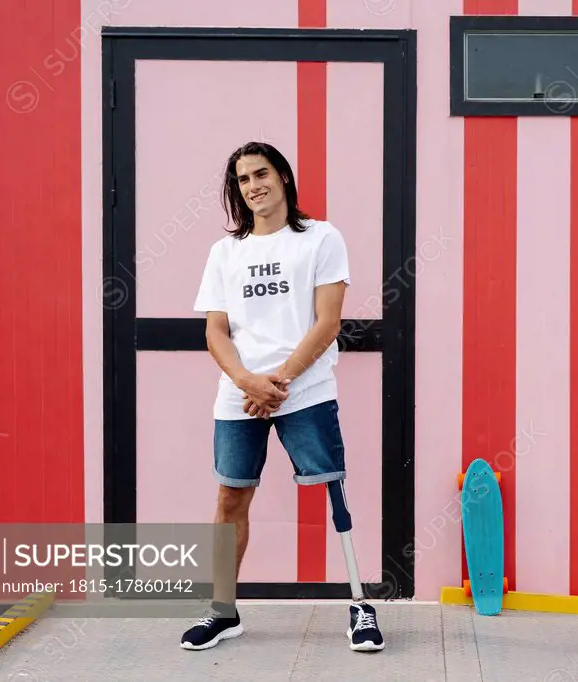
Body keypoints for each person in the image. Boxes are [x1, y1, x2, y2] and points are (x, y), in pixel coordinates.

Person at [180, 141, 384, 653]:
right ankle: (222, 612)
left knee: (331, 488)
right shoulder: (224, 252)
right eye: (243, 179)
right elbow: (216, 332)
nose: (253, 186)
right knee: (230, 497)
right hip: (241, 394)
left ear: (284, 178)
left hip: (304, 388)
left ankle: (361, 605)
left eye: (261, 173)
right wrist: (249, 382)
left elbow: (328, 323)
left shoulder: (320, 238)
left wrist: (280, 381)